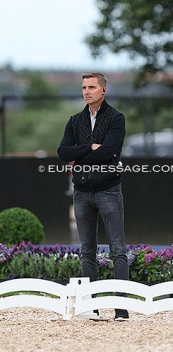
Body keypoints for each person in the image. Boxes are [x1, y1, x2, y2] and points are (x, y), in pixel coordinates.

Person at [58, 72, 129, 321]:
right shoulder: (74, 120)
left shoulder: (116, 118)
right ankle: (92, 308)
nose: (86, 91)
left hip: (108, 190)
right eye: (84, 87)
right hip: (82, 193)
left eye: (91, 87)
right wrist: (89, 147)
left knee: (117, 249)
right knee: (87, 250)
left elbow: (108, 152)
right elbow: (63, 153)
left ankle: (122, 309)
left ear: (103, 90)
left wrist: (83, 154)